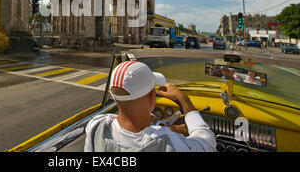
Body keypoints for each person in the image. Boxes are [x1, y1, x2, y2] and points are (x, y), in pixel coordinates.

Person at [84, 61, 216, 152]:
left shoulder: (96, 126)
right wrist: (184, 100)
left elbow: (126, 127)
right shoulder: (167, 143)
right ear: (152, 97)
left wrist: (165, 128)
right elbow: (208, 142)